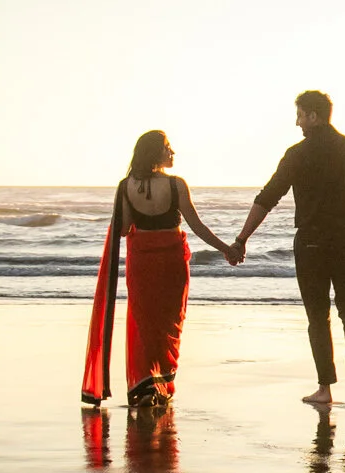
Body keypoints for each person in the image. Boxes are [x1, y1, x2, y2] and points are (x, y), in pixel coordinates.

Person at [230, 90, 345, 404]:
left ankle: (325, 389)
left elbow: (267, 198)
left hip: (311, 243)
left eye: (300, 115)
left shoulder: (297, 154)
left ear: (313, 116)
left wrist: (242, 239)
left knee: (318, 316)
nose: (297, 122)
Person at [81, 130, 237, 408]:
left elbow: (124, 228)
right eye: (167, 148)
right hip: (171, 262)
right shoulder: (177, 185)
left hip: (141, 261)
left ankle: (146, 386)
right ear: (155, 152)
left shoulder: (124, 186)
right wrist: (226, 248)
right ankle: (160, 383)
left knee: (144, 323)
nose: (172, 152)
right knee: (169, 323)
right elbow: (196, 225)